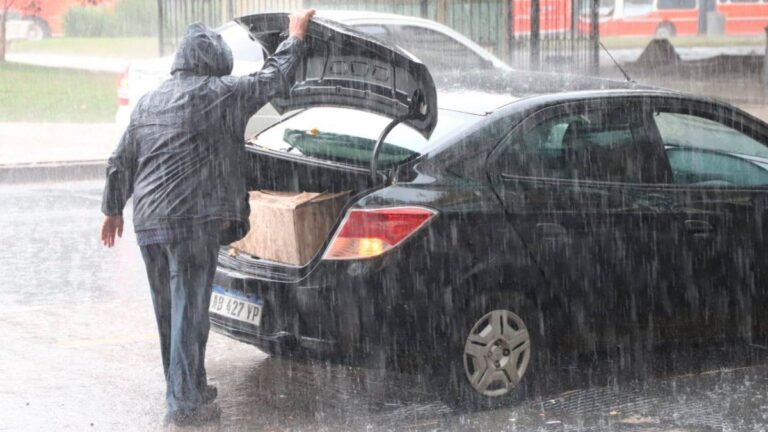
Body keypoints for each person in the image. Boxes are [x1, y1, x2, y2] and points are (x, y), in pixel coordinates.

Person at [99, 9, 316, 426]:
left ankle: (190, 387)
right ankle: (183, 404)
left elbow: (119, 160)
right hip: (192, 221)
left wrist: (111, 209)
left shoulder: (151, 100)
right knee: (190, 312)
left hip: (149, 224)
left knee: (172, 314)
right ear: (216, 62)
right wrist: (296, 36)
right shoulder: (223, 92)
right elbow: (275, 78)